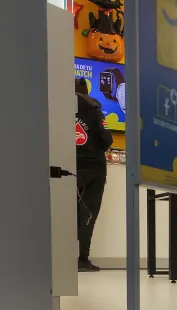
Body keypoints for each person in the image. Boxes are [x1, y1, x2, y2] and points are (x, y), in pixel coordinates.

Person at [75, 77, 113, 272]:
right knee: (88, 213)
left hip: (68, 167)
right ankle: (82, 259)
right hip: (94, 169)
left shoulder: (59, 108)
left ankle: (61, 258)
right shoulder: (95, 109)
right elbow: (107, 138)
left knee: (65, 213)